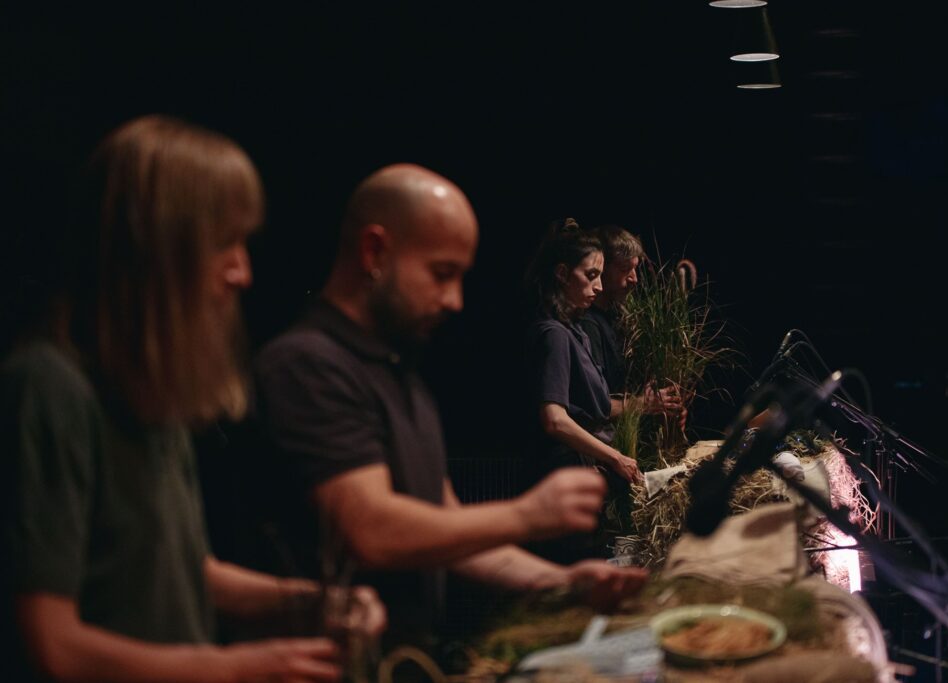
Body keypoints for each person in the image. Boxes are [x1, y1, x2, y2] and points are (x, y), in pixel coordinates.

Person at [1, 115, 383, 683]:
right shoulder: (49, 388)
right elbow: (52, 645)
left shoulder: (150, 393)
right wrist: (231, 669)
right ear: (153, 248)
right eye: (224, 244)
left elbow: (187, 570)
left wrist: (314, 601)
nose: (243, 272)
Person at [254, 164, 646, 645]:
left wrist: (563, 582)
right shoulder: (308, 364)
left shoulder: (400, 374)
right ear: (374, 251)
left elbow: (447, 533)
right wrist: (526, 514)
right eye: (442, 274)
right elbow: (371, 530)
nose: (456, 300)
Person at [524, 219, 644, 491]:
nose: (599, 286)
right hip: (560, 479)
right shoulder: (553, 334)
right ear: (563, 274)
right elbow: (555, 419)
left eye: (601, 276)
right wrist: (615, 457)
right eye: (591, 276)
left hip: (580, 470)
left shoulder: (575, 333)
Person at [579, 225, 687, 426]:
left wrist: (666, 407)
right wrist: (644, 404)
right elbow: (592, 405)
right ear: (602, 268)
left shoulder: (620, 319)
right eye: (624, 269)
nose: (634, 279)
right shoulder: (587, 325)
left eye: (635, 268)